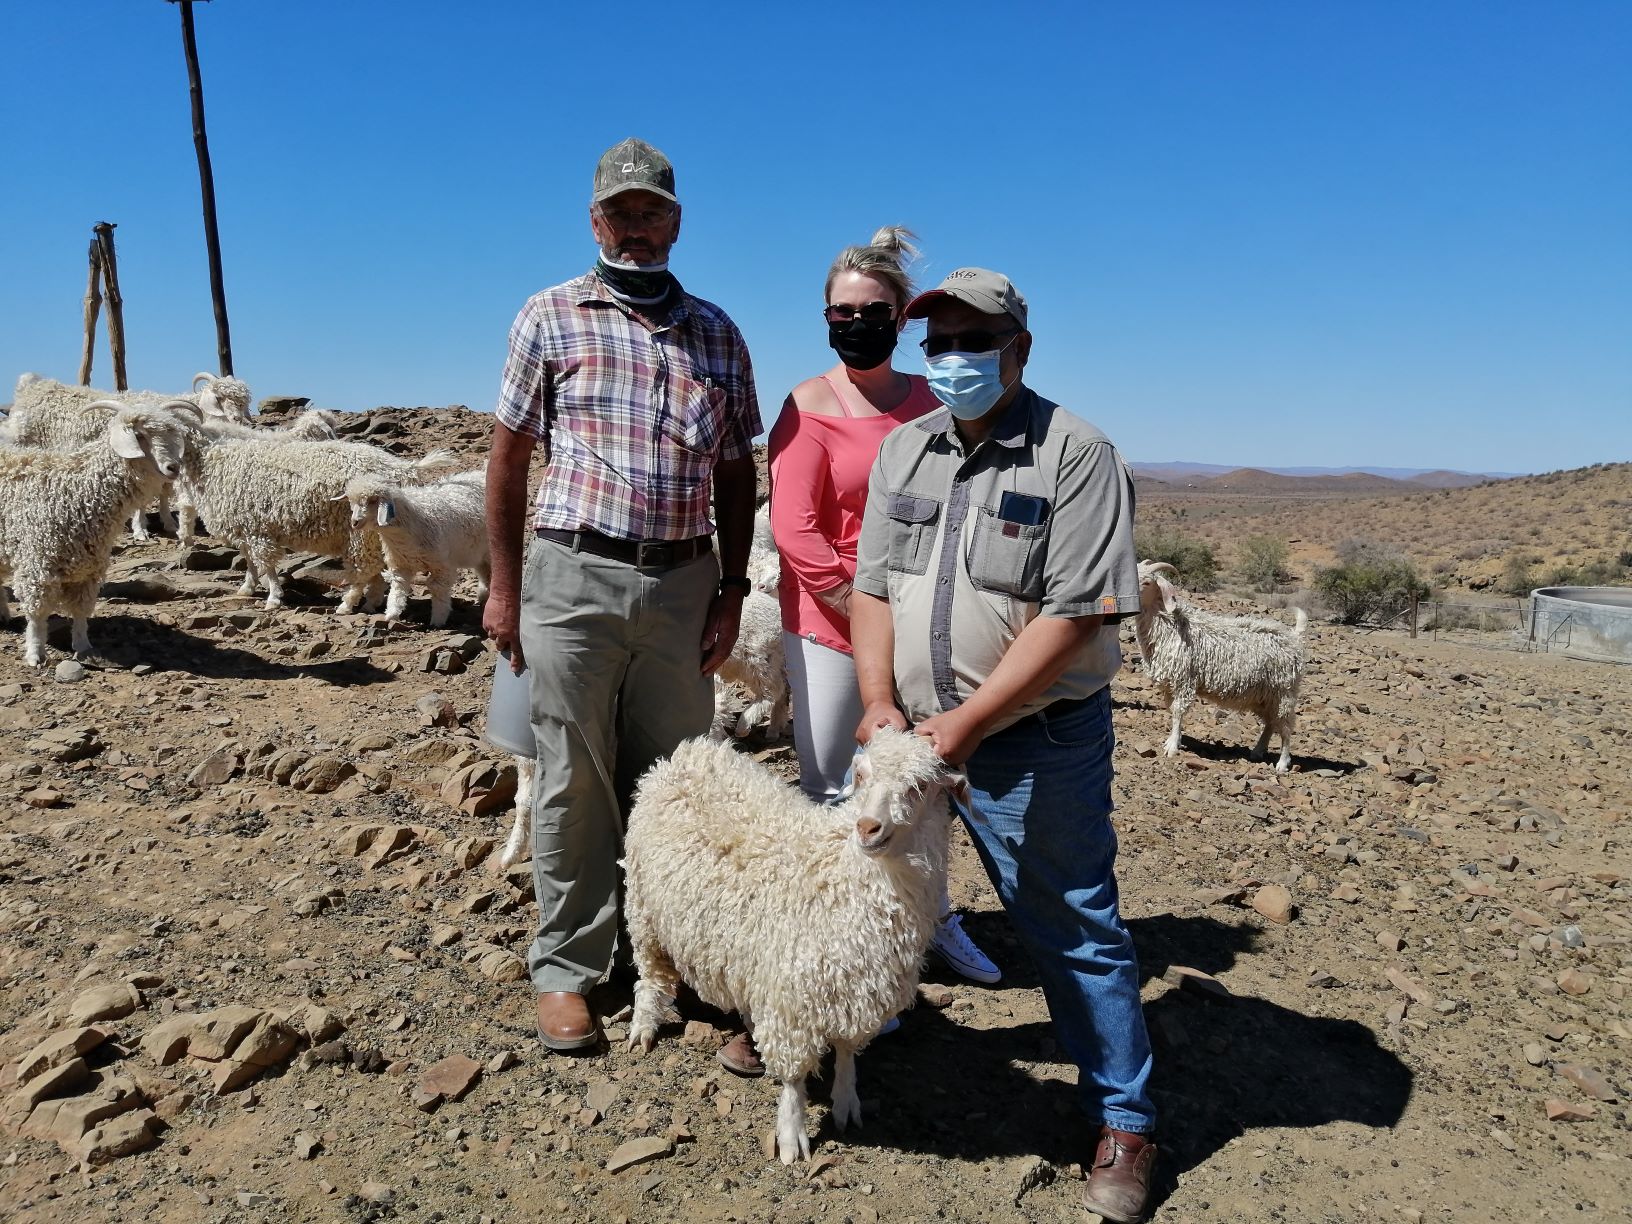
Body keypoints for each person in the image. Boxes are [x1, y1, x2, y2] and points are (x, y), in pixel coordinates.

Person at [850, 268, 1158, 1222]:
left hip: (1030, 740)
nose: (950, 361)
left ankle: (1125, 1118)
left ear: (1018, 349)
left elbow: (1076, 614)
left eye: (970, 343)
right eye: (935, 344)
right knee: (882, 888)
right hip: (912, 739)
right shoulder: (906, 451)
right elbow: (871, 587)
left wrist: (967, 725)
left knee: (1070, 920)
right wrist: (875, 702)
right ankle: (845, 1027)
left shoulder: (1075, 453)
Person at [484, 137, 761, 1054]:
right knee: (572, 778)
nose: (637, 227)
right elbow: (509, 458)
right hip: (572, 575)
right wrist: (504, 586)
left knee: (678, 782)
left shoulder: (718, 333)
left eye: (654, 212)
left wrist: (731, 585)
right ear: (595, 219)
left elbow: (734, 470)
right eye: (621, 212)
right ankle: (569, 967)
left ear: (677, 222)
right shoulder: (549, 316)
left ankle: (683, 957)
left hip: (685, 581)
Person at [767, 226, 1001, 978]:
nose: (856, 323)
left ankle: (929, 918)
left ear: (902, 318)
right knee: (839, 784)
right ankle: (838, 943)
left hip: (930, 628)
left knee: (926, 789)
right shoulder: (808, 406)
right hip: (833, 627)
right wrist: (863, 617)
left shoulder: (936, 403)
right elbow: (796, 529)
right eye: (842, 312)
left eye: (872, 310)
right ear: (826, 317)